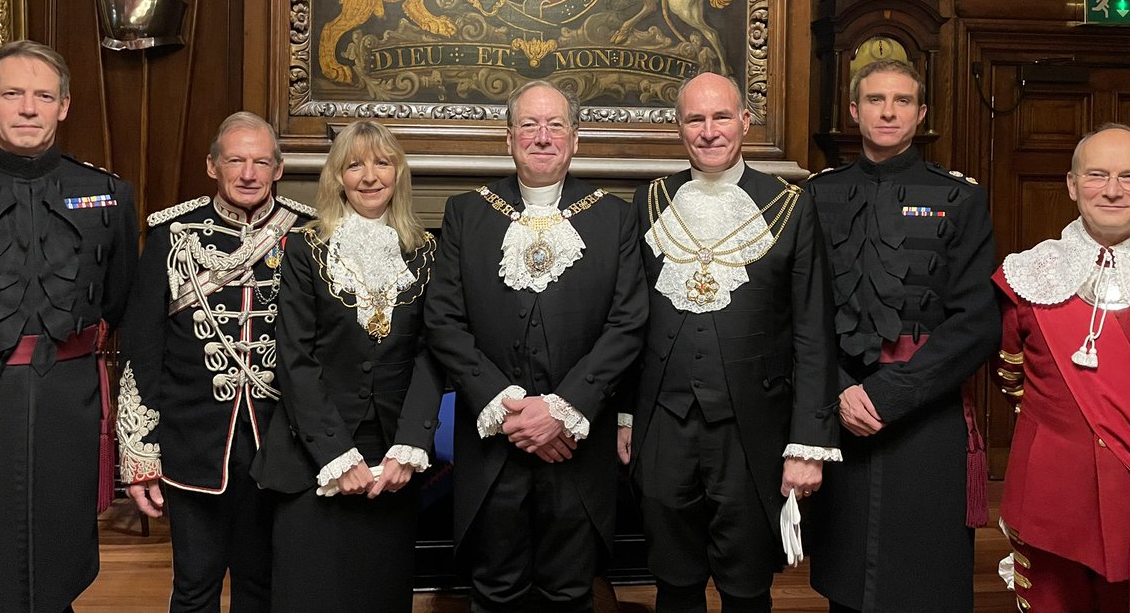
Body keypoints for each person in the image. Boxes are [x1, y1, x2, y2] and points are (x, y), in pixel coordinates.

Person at [423, 79, 648, 613]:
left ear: (575, 139)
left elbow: (628, 324)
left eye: (555, 126)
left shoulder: (615, 217)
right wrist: (509, 409)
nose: (541, 137)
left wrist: (562, 410)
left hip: (577, 446)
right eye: (529, 124)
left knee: (570, 594)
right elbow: (444, 322)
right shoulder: (466, 212)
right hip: (492, 446)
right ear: (508, 138)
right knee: (494, 592)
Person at [618, 71, 840, 612]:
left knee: (745, 588)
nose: (709, 131)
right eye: (695, 119)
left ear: (744, 122)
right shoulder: (649, 200)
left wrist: (808, 442)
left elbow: (814, 330)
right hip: (663, 424)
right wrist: (625, 416)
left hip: (754, 430)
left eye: (721, 117)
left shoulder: (790, 203)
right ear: (679, 129)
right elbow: (626, 320)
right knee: (673, 583)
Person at [806, 58, 1001, 612]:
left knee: (925, 573)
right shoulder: (817, 196)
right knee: (846, 572)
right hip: (840, 406)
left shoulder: (960, 198)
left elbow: (976, 322)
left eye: (901, 101)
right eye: (874, 100)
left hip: (925, 408)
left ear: (920, 113)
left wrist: (889, 396)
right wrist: (842, 388)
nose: (887, 111)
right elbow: (801, 312)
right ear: (853, 111)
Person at [0, 40, 138, 613]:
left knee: (60, 550)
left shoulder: (110, 195)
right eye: (13, 94)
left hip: (69, 398)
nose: (29, 108)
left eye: (44, 96)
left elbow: (119, 299)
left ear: (64, 106)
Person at [116, 111, 312, 613]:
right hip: (193, 442)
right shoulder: (171, 234)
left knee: (262, 583)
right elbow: (143, 346)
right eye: (236, 160)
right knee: (195, 585)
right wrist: (140, 451)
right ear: (211, 166)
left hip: (281, 443)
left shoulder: (307, 233)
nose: (248, 173)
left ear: (278, 169)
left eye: (261, 161)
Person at [251, 121, 441, 611]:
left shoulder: (426, 252)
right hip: (313, 456)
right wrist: (338, 455)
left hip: (392, 461)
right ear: (337, 177)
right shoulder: (303, 248)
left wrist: (409, 446)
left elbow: (430, 353)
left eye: (382, 162)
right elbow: (296, 357)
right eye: (354, 164)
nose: (370, 175)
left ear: (399, 173)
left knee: (378, 596)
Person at [994, 123, 1130, 612]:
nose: (1112, 190)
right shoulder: (1026, 275)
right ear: (1072, 186)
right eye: (1096, 175)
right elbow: (1012, 379)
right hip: (1049, 495)